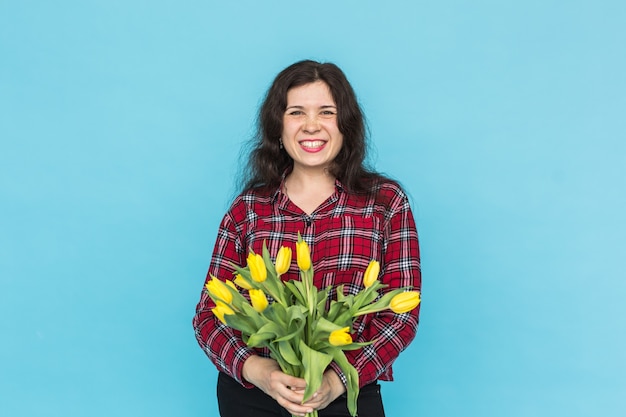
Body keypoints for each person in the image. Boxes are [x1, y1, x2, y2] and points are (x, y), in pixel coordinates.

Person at [193, 60, 421, 417]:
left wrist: (335, 382)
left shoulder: (385, 203)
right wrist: (260, 372)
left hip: (348, 395)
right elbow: (209, 316)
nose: (311, 125)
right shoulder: (248, 210)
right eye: (296, 112)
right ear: (278, 128)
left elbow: (401, 317)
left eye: (326, 112)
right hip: (253, 399)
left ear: (346, 125)